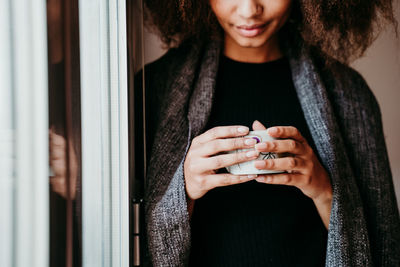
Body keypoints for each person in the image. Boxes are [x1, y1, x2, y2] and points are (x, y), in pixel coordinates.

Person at [135, 0, 400, 266]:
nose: (250, 10)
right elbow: (129, 240)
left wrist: (324, 192)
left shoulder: (349, 94)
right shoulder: (155, 90)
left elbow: (383, 240)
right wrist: (183, 191)